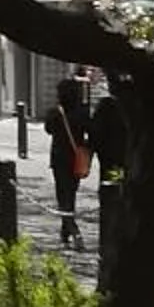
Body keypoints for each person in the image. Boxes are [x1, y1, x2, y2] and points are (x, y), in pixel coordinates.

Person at [44, 81, 93, 250]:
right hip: (76, 159)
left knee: (62, 195)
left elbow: (48, 129)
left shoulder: (56, 113)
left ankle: (73, 229)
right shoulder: (82, 113)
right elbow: (90, 134)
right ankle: (65, 232)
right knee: (70, 194)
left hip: (59, 159)